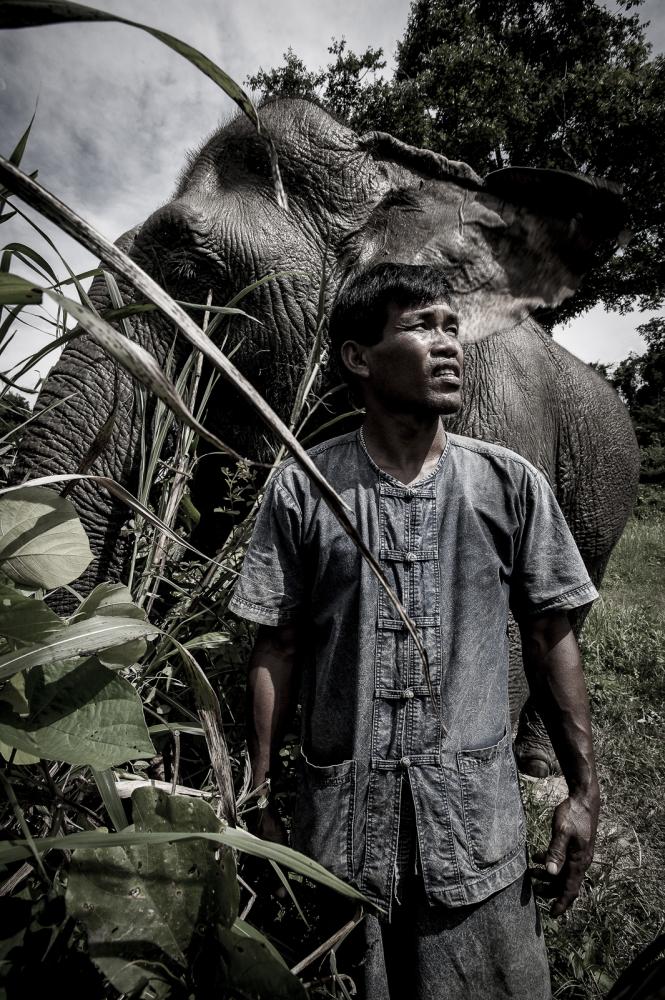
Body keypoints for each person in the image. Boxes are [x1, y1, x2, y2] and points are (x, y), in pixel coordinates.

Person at [229, 263, 600, 999]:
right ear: (358, 357)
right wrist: (259, 793)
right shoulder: (304, 487)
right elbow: (277, 644)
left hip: (476, 834)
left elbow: (550, 635)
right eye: (421, 326)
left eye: (452, 327)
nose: (448, 345)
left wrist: (584, 793)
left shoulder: (508, 484)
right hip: (339, 838)